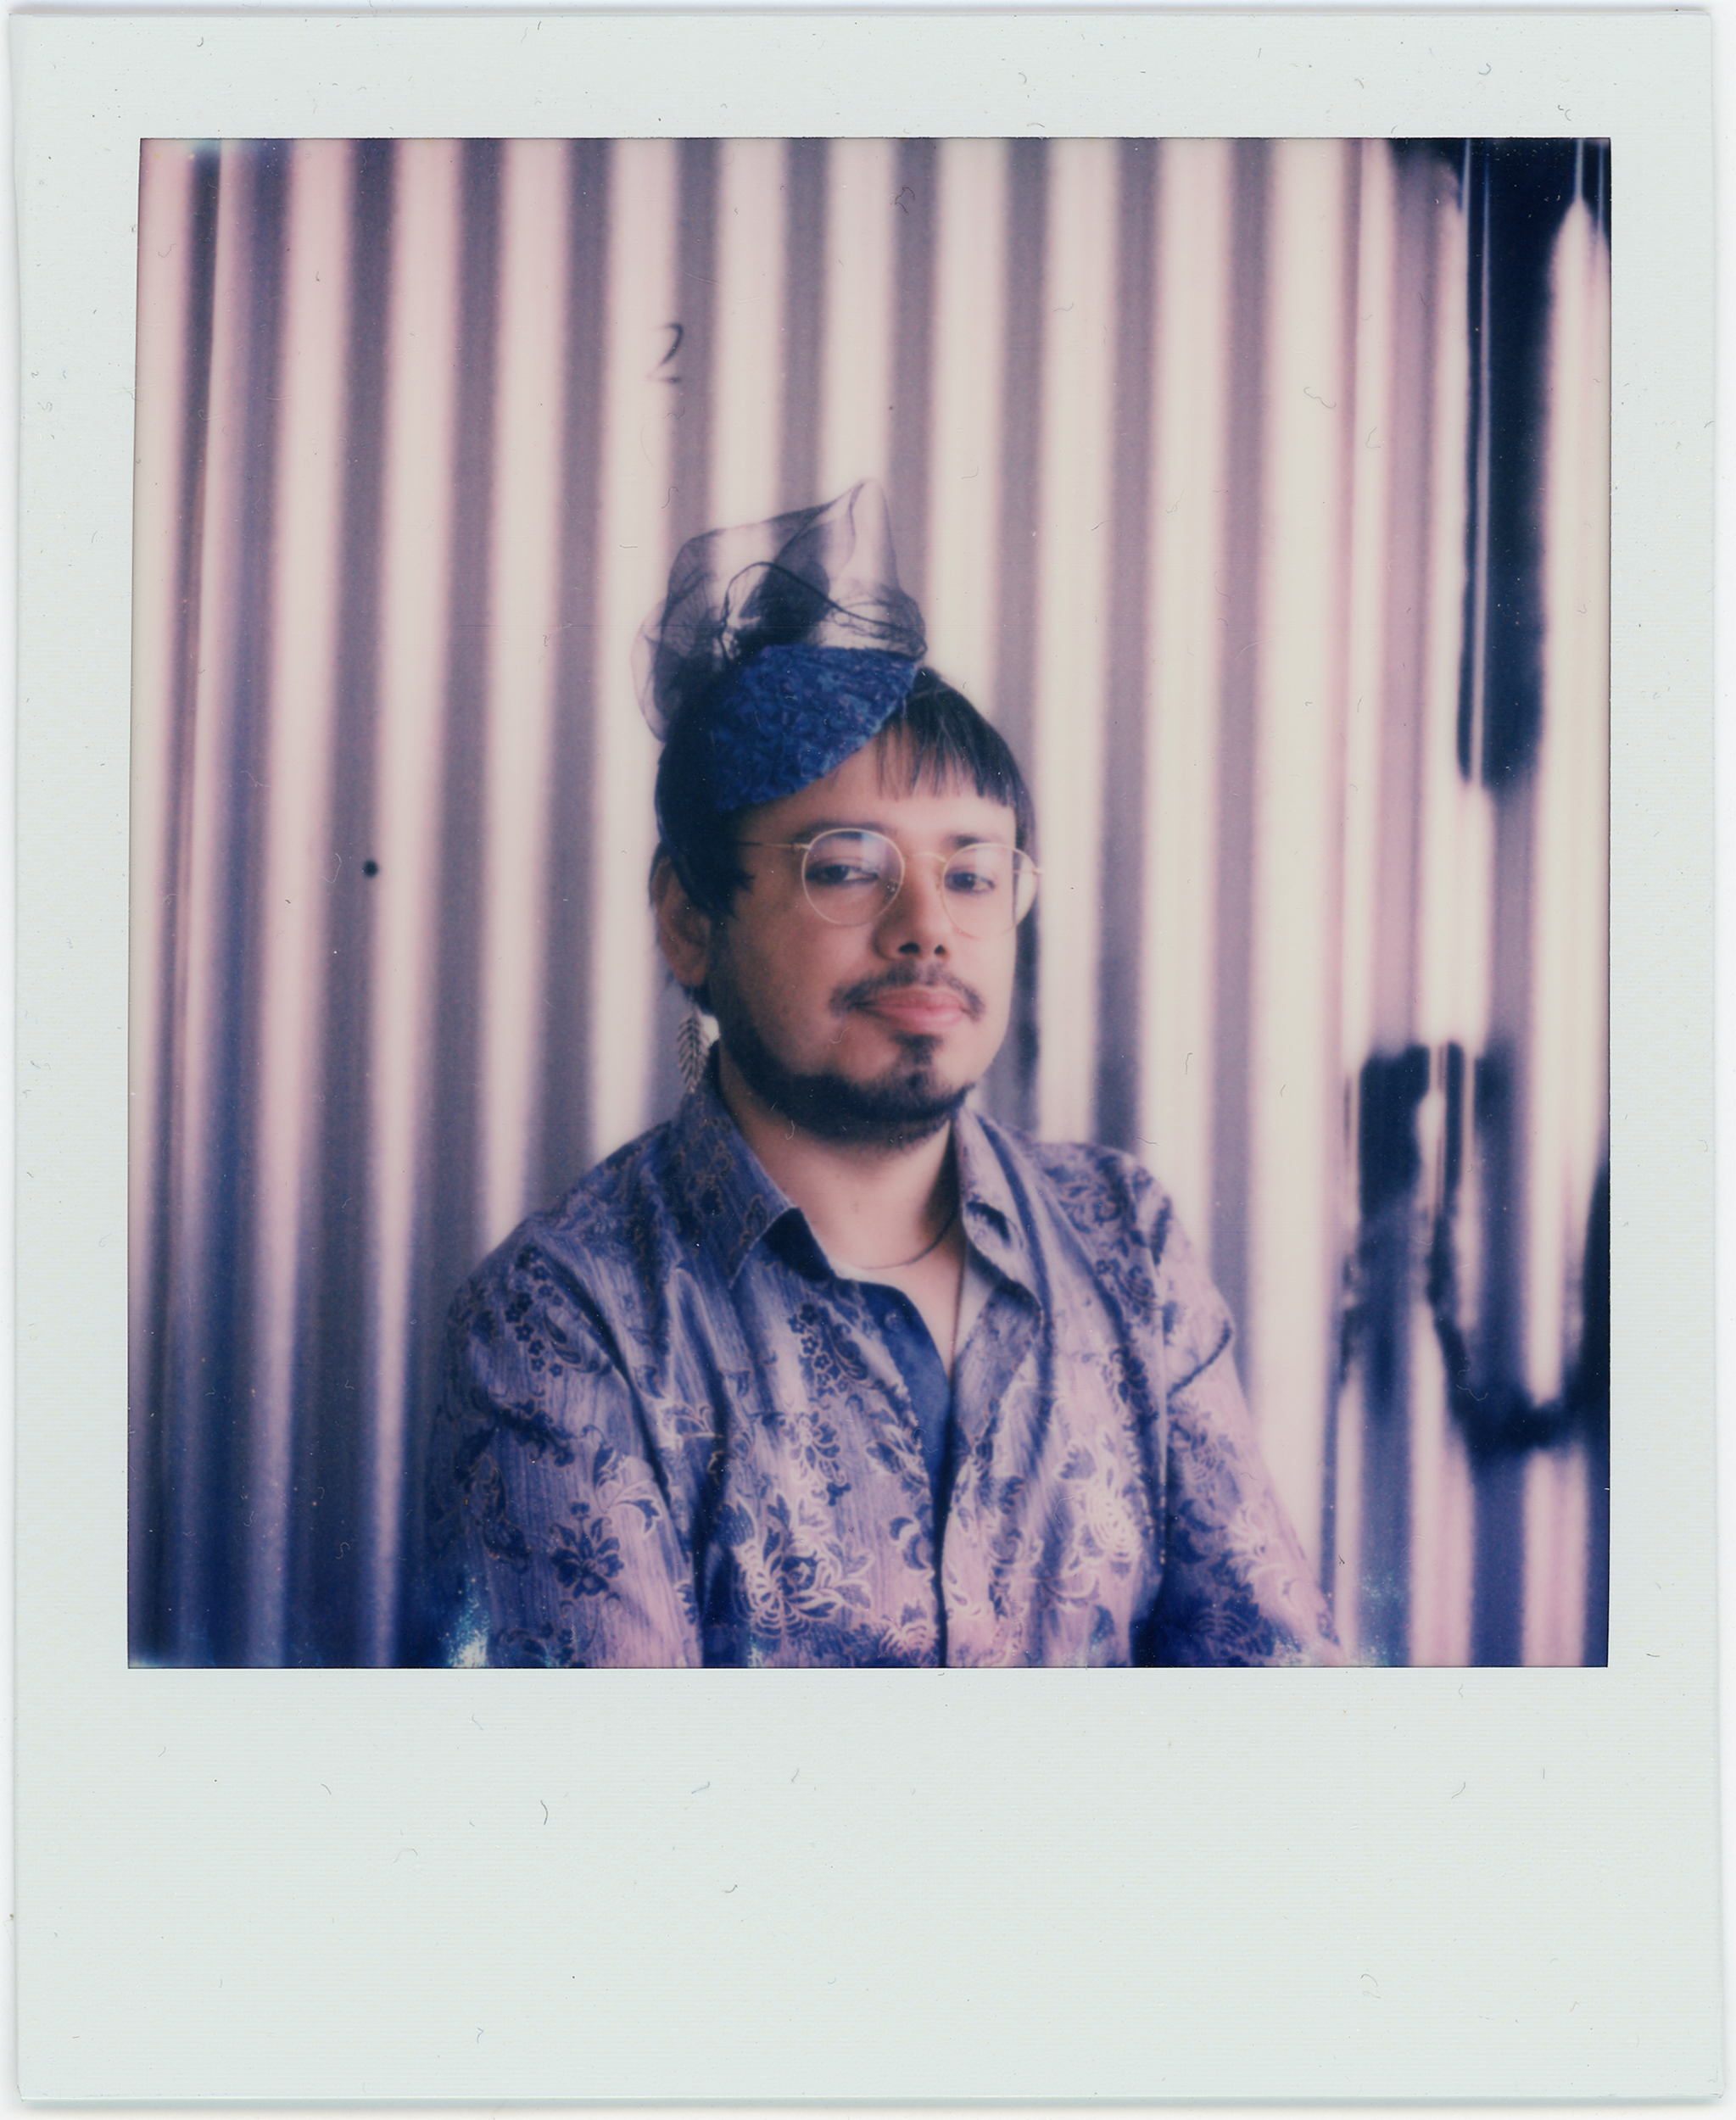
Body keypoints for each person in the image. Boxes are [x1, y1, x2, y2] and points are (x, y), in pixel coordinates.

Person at [421, 483, 1342, 1668]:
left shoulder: (1126, 1245)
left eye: (973, 874)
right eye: (849, 867)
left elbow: (1280, 1698)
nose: (928, 929)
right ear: (691, 919)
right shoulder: (567, 1317)